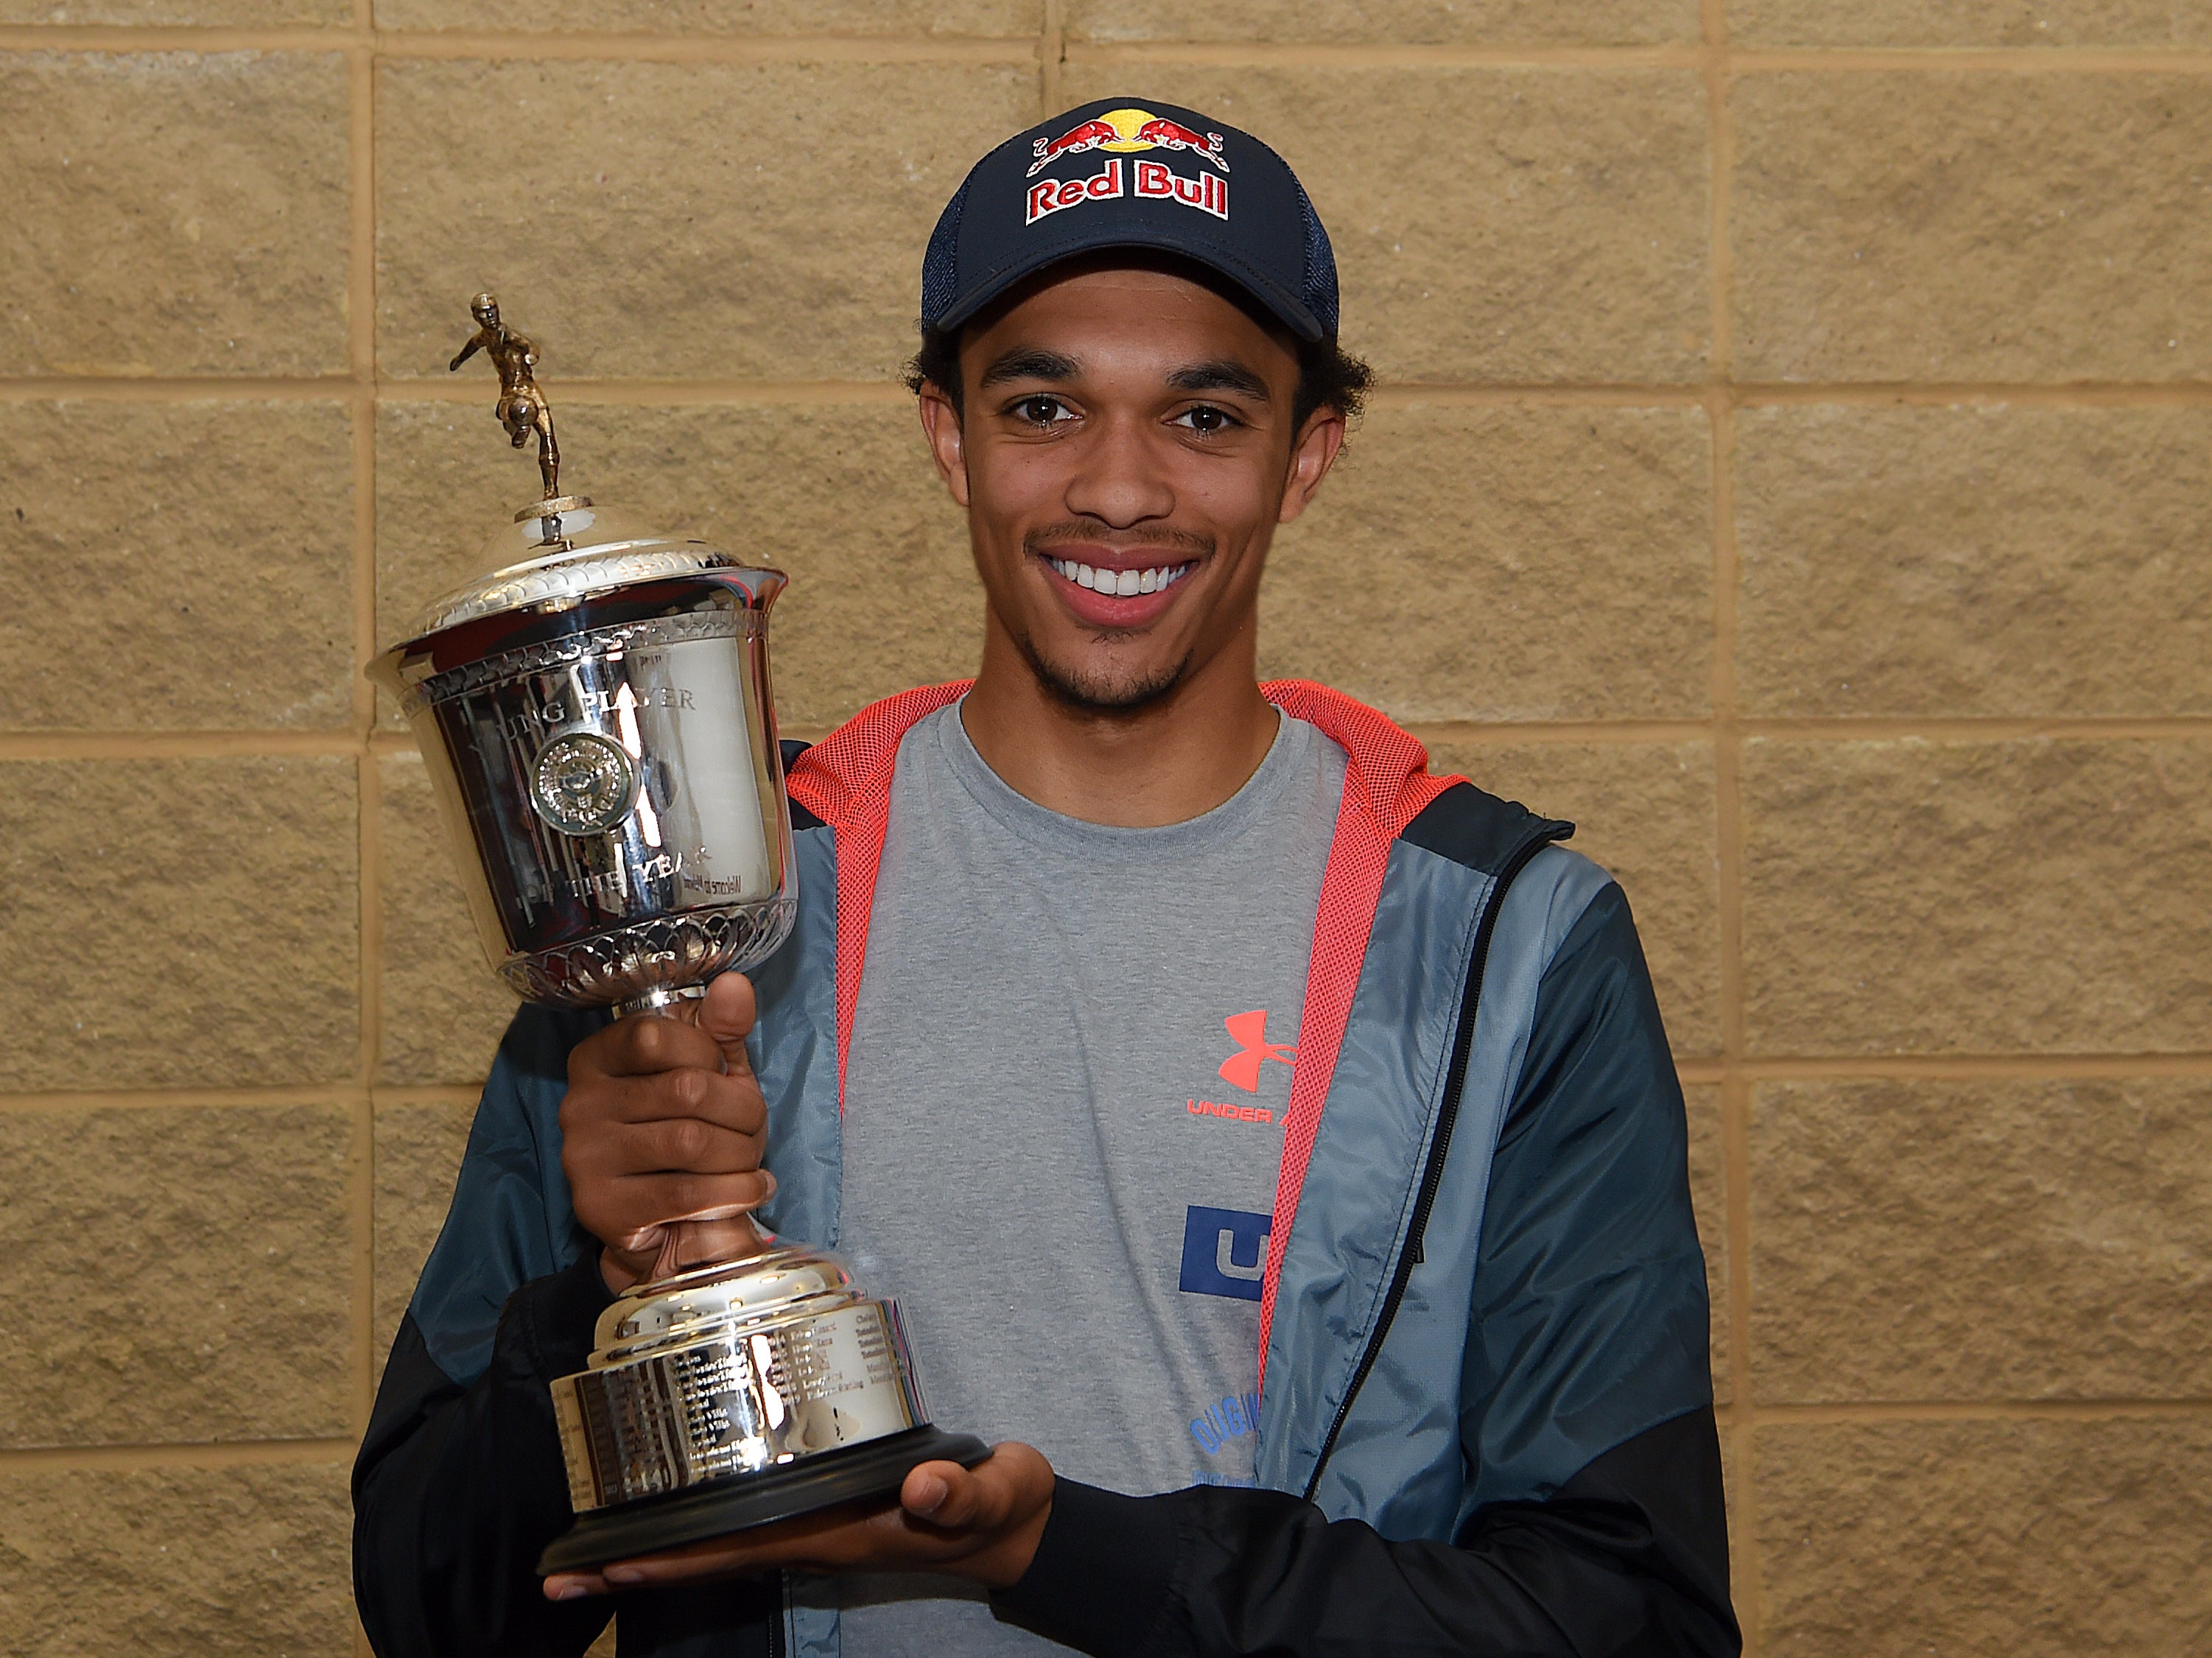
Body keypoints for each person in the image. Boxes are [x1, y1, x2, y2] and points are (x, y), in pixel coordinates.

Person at [354, 97, 1738, 1658]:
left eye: (1205, 416)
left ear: (1306, 457)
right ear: (948, 435)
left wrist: (1058, 1551)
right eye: (1042, 409)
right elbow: (432, 1607)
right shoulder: (702, 905)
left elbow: (1630, 1621)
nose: (1119, 490)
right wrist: (588, 1309)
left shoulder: (1505, 946)